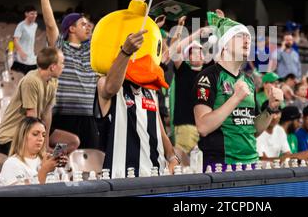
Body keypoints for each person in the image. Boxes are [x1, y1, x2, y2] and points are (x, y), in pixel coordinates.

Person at [193, 12, 283, 169]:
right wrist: (235, 98)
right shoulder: (208, 76)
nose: (247, 40)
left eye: (248, 37)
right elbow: (203, 127)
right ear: (225, 44)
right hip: (221, 165)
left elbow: (252, 130)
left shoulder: (248, 80)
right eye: (240, 36)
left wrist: (271, 108)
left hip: (251, 162)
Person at [95, 26, 179, 177]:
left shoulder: (151, 90)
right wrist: (125, 52)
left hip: (156, 174)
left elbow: (161, 132)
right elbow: (110, 87)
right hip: (122, 177)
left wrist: (172, 157)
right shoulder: (106, 84)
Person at [35, 0, 99, 149]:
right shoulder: (60, 48)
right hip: (62, 116)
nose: (89, 27)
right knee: (61, 166)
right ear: (71, 28)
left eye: (89, 24)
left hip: (88, 117)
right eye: (83, 24)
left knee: (94, 165)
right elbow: (49, 25)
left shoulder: (93, 50)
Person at [0, 47, 79, 155]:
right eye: (62, 63)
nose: (64, 66)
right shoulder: (31, 81)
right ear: (53, 67)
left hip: (35, 129)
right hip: (12, 136)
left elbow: (46, 114)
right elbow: (31, 119)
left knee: (72, 142)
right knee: (37, 155)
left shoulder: (53, 81)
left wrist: (46, 146)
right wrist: (41, 150)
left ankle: (51, 159)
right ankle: (44, 162)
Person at [169, 21, 213, 154]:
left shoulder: (209, 71)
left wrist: (219, 26)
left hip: (206, 128)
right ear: (187, 57)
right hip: (186, 126)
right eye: (192, 52)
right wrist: (197, 33)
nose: (196, 54)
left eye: (199, 51)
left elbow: (223, 53)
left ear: (204, 56)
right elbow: (175, 50)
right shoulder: (183, 71)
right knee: (182, 166)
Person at [0, 117, 68, 186]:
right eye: (35, 134)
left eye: (43, 135)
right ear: (22, 136)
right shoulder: (12, 164)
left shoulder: (47, 159)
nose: (41, 139)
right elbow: (23, 193)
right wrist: (44, 170)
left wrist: (64, 168)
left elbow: (67, 184)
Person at [11, 6, 38, 75]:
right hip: (21, 58)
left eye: (35, 14)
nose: (34, 16)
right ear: (26, 14)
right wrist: (21, 52)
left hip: (31, 57)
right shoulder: (21, 25)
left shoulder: (35, 25)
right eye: (32, 14)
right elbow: (15, 40)